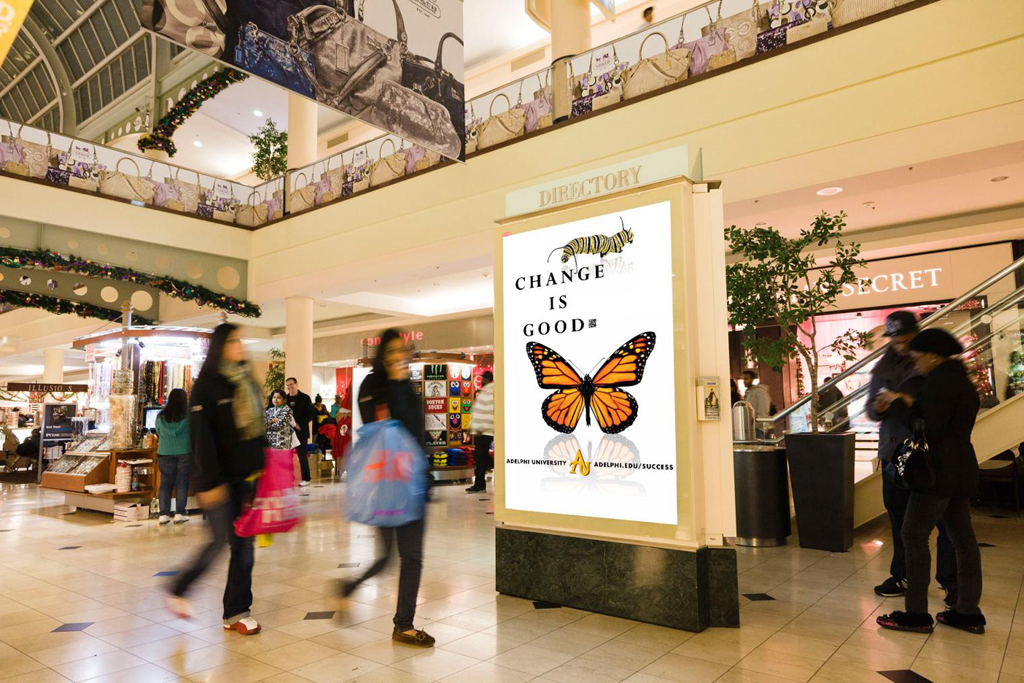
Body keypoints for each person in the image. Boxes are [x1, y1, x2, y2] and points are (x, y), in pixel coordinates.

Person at [877, 328, 985, 635]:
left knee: (913, 534)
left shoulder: (940, 384)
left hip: (936, 472)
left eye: (917, 358)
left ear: (934, 356)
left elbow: (929, 428)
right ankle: (967, 612)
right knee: (963, 539)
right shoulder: (961, 381)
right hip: (960, 468)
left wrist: (899, 404)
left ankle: (916, 614)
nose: (916, 364)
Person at [166, 323, 266, 635]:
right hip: (218, 479)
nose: (241, 345)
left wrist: (264, 467)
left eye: (241, 339)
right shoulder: (206, 386)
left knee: (244, 545)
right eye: (235, 340)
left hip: (245, 476)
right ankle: (179, 588)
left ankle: (236, 612)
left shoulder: (245, 380)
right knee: (219, 540)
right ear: (220, 346)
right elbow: (201, 438)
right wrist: (208, 482)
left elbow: (255, 430)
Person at [342, 328, 434, 647]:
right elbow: (379, 430)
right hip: (389, 483)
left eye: (401, 350)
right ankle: (400, 623)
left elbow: (415, 430)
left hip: (413, 480)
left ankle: (397, 620)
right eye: (392, 350)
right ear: (383, 354)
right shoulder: (372, 385)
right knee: (397, 557)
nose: (398, 356)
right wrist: (396, 384)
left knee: (404, 556)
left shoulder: (406, 384)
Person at [866, 311, 956, 601]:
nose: (902, 346)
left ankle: (951, 582)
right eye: (896, 341)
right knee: (900, 520)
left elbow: (945, 406)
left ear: (917, 334)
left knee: (946, 521)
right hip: (894, 454)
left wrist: (906, 401)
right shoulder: (882, 368)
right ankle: (903, 575)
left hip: (931, 452)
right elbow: (870, 410)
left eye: (906, 340)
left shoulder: (933, 363)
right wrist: (878, 408)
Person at [155, 388, 191, 525]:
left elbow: (158, 431)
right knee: (182, 483)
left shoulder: (160, 416)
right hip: (184, 451)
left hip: (164, 452)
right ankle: (180, 513)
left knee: (165, 483)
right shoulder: (188, 416)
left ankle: (163, 514)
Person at [466, 371, 495, 493]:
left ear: (487, 379)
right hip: (483, 430)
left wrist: (477, 427)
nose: (481, 380)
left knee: (480, 458)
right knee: (480, 458)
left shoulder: (489, 392)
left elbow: (484, 413)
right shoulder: (487, 392)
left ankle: (480, 484)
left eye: (483, 378)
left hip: (484, 431)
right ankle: (480, 483)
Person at [285, 376, 314, 487]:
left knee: (302, 456)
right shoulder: (285, 399)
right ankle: (288, 478)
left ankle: (306, 478)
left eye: (291, 384)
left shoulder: (305, 398)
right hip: (288, 432)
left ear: (296, 384)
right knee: (287, 456)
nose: (289, 387)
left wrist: (299, 424)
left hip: (301, 431)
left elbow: (311, 413)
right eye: (287, 385)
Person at [741, 370, 771, 436]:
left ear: (752, 379)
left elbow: (763, 409)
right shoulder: (748, 393)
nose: (744, 381)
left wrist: (758, 423)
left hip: (758, 427)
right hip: (751, 426)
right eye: (743, 379)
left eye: (746, 379)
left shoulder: (760, 392)